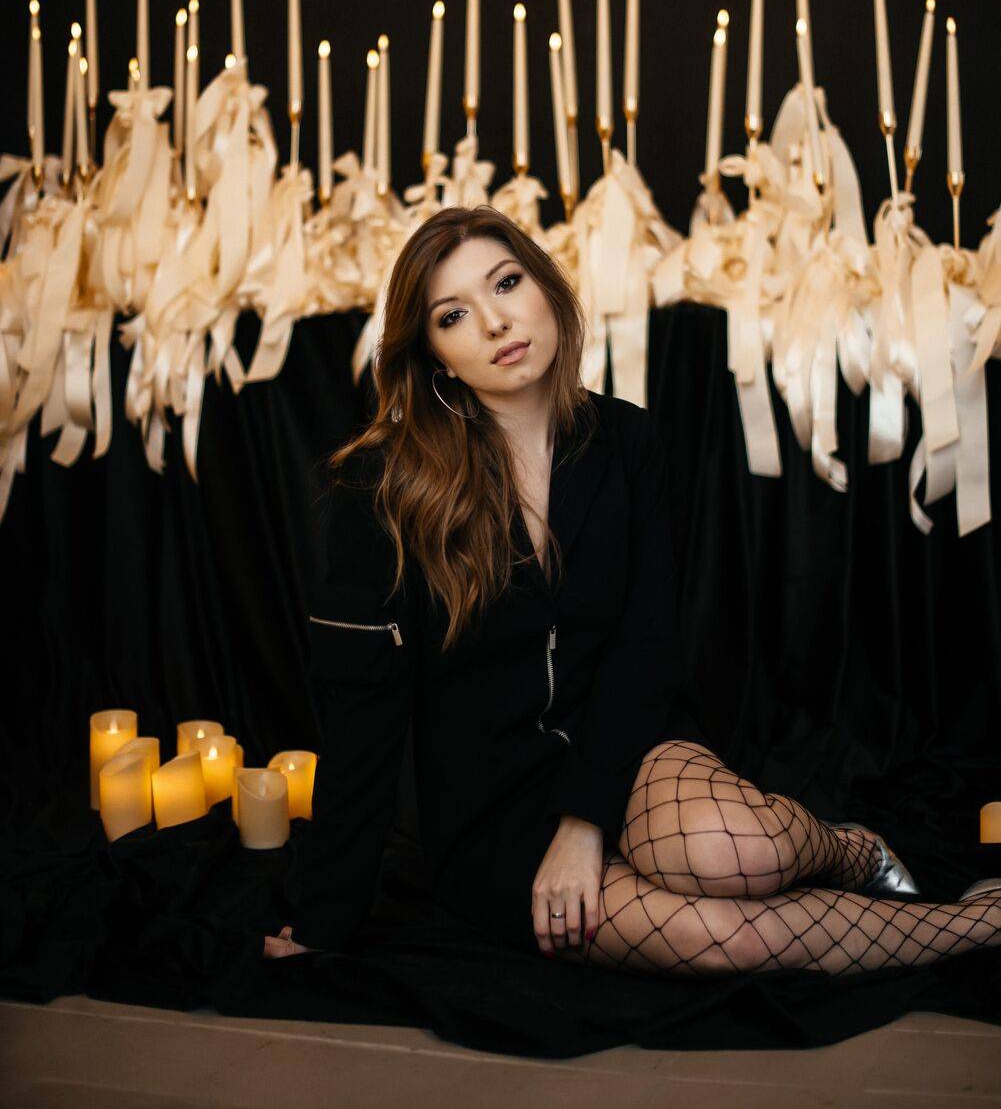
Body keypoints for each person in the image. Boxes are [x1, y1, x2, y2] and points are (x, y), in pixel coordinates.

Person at [265, 205, 1001, 975]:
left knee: (738, 852)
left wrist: (583, 824)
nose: (494, 322)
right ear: (435, 358)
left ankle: (849, 849)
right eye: (453, 315)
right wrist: (323, 923)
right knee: (722, 939)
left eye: (506, 283)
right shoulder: (381, 488)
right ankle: (978, 923)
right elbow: (361, 713)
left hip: (629, 745)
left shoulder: (626, 440)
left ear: (545, 289)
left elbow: (645, 646)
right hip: (493, 811)